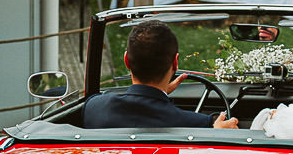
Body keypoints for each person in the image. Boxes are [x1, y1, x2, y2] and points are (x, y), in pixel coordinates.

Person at [83, 20, 240, 129]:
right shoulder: (201, 125)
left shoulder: (94, 108)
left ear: (126, 60)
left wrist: (157, 93)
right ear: (175, 63)